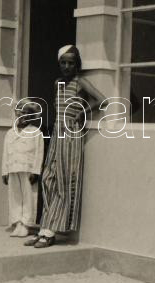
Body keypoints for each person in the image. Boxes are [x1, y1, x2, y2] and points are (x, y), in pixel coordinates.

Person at [25, 45, 106, 248]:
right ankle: (44, 227)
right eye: (63, 62)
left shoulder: (81, 82)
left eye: (71, 63)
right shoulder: (58, 83)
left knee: (63, 181)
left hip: (71, 133)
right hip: (57, 133)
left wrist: (83, 111)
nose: (67, 66)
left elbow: (102, 100)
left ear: (77, 64)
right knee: (47, 178)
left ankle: (49, 232)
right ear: (59, 64)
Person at [2, 99, 44, 238]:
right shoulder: (10, 133)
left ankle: (26, 223)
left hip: (28, 169)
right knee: (15, 196)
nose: (23, 117)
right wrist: (4, 171)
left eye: (27, 114)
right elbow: (5, 153)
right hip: (13, 167)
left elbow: (39, 153)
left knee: (28, 196)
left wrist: (36, 171)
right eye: (21, 113)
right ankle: (17, 222)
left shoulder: (36, 132)